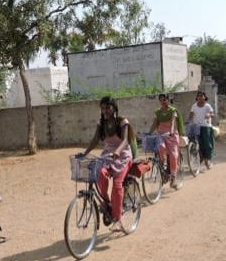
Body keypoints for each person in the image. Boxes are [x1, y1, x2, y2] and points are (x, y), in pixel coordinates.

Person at [78, 96, 135, 232]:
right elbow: (95, 139)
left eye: (108, 107)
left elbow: (126, 140)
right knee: (100, 175)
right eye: (103, 108)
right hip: (107, 156)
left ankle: (118, 220)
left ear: (114, 107)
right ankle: (107, 201)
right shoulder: (101, 123)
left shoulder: (122, 121)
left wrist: (117, 151)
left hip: (123, 156)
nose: (105, 111)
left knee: (117, 184)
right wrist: (85, 153)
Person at [148, 93, 182, 189]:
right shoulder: (158, 112)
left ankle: (173, 179)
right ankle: (161, 168)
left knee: (173, 156)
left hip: (172, 135)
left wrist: (171, 132)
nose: (163, 102)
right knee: (161, 148)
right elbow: (154, 123)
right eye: (161, 100)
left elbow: (172, 122)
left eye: (164, 100)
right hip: (161, 135)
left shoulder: (172, 111)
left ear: (168, 100)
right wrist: (149, 133)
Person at [189, 91, 215, 169]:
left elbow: (212, 114)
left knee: (207, 144)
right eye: (199, 96)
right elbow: (191, 115)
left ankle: (207, 160)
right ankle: (200, 159)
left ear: (205, 97)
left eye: (202, 96)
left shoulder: (207, 106)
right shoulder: (194, 106)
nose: (200, 97)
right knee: (197, 144)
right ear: (197, 98)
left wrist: (209, 115)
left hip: (206, 126)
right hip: (197, 127)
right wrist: (189, 121)